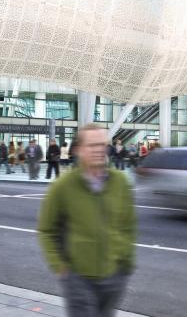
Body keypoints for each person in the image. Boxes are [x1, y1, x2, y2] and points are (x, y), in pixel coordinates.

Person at [37, 123, 136, 317]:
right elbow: (46, 230)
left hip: (114, 276)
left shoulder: (120, 182)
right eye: (92, 145)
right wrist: (60, 267)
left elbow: (128, 225)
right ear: (79, 150)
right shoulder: (63, 186)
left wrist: (126, 262)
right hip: (78, 278)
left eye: (102, 144)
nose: (99, 150)